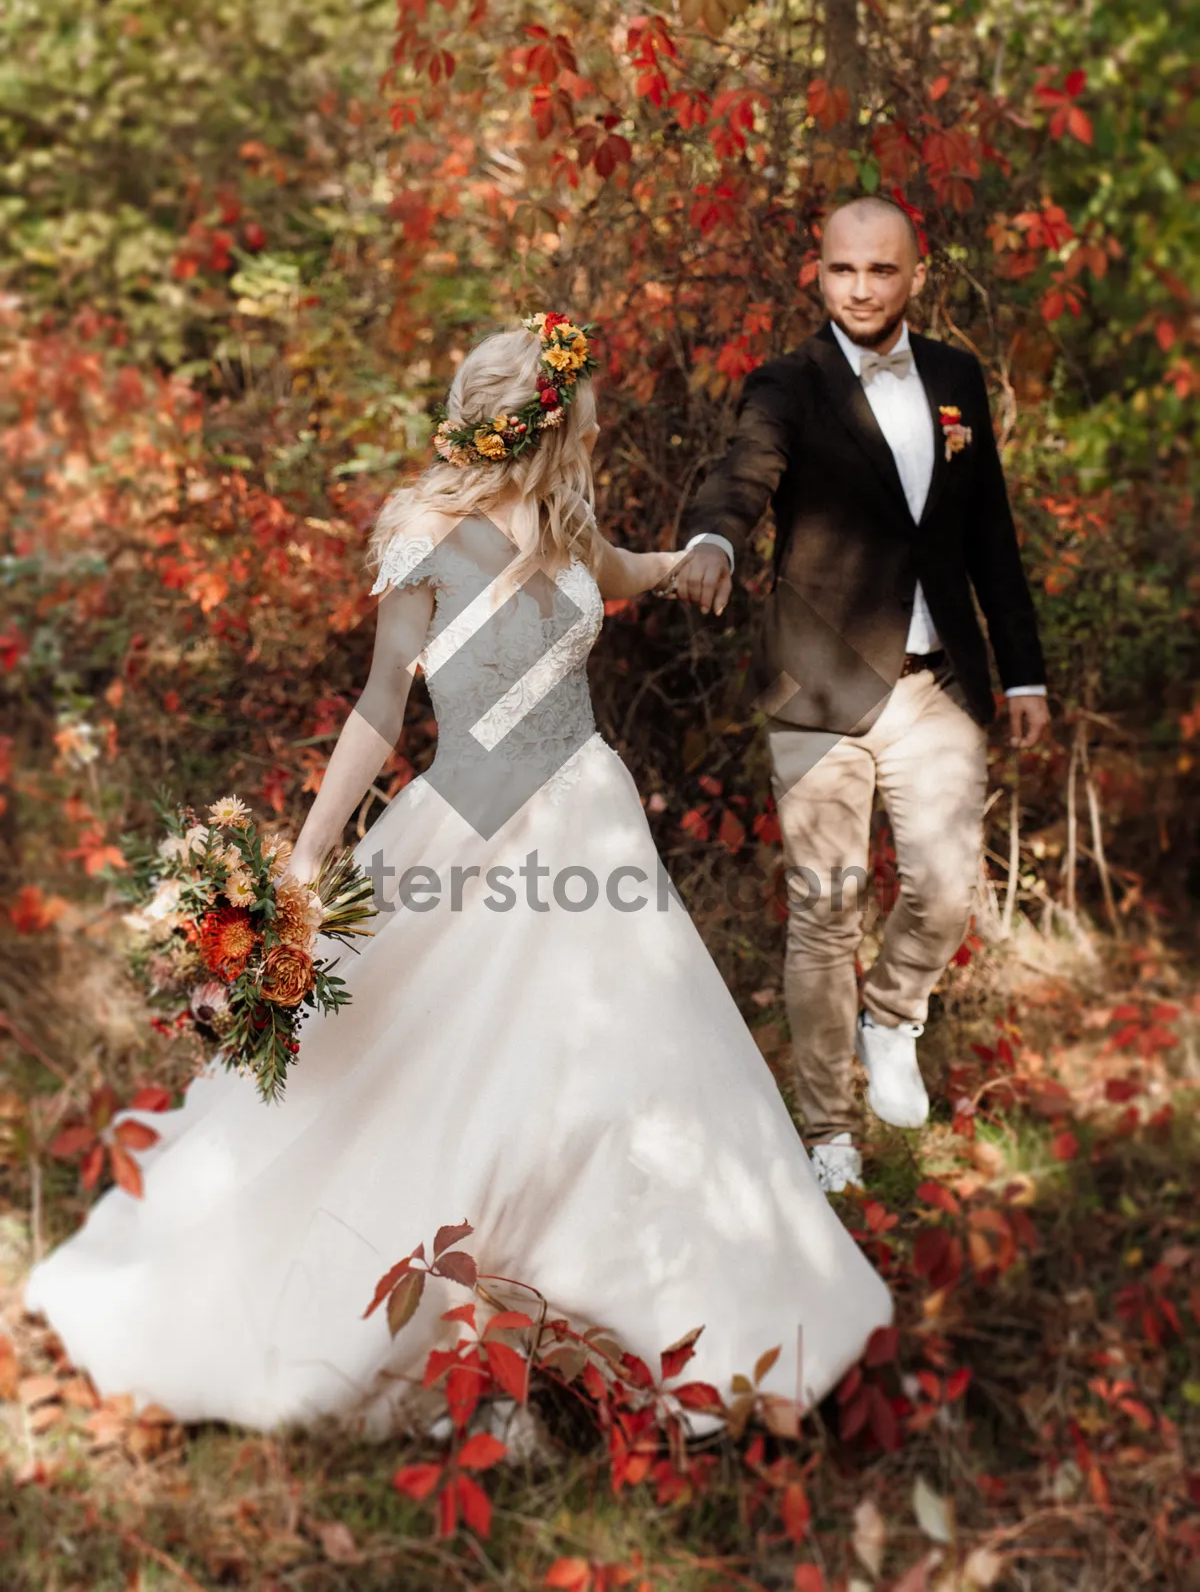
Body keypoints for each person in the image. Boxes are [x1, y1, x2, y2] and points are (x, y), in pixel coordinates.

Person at [25, 316, 892, 1436]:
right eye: (579, 417)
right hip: (468, 830)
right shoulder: (423, 536)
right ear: (540, 420)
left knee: (640, 1051)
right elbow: (382, 705)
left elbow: (630, 573)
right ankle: (472, 1312)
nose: (591, 432)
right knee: (434, 1060)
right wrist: (305, 850)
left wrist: (698, 558)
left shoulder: (568, 527)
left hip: (589, 822)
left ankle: (662, 1307)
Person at [674, 199, 1050, 1195]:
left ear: (915, 275)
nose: (862, 289)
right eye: (844, 271)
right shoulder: (789, 384)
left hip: (937, 682)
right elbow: (741, 475)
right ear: (820, 273)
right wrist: (713, 538)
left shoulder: (959, 381)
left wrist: (1023, 670)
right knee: (825, 909)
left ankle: (893, 1017)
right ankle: (828, 1126)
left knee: (945, 888)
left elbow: (990, 540)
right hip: (821, 684)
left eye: (882, 272)